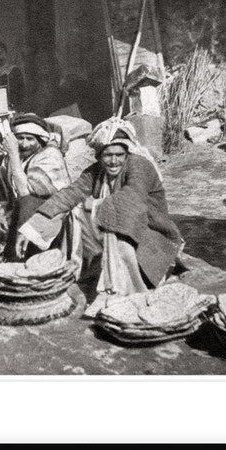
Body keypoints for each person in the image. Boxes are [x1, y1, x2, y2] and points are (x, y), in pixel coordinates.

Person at [17, 117, 183, 316]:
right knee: (75, 212)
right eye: (107, 155)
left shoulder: (140, 165)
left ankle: (115, 290)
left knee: (118, 243)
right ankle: (90, 271)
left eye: (119, 155)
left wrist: (94, 205)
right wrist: (31, 227)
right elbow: (70, 194)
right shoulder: (95, 171)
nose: (113, 161)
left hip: (147, 231)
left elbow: (132, 198)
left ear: (127, 153)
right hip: (115, 224)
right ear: (99, 155)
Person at [0, 113, 72, 258]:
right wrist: (0, 212)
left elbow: (25, 192)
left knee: (28, 202)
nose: (24, 144)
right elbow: (0, 189)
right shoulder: (12, 157)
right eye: (20, 138)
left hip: (50, 214)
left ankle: (29, 256)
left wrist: (14, 155)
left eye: (30, 139)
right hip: (20, 213)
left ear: (40, 140)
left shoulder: (50, 155)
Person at [0, 40, 27, 112]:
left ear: (5, 54)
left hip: (13, 110)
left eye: (0, 53)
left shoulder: (14, 71)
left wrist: (20, 110)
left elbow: (22, 94)